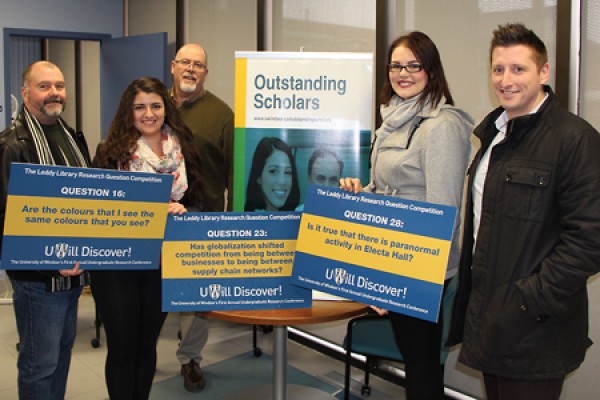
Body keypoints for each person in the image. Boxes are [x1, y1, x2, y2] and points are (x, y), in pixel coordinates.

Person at [447, 23, 600, 400]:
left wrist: (527, 300)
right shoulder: (494, 137)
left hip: (535, 329)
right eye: (498, 69)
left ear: (543, 72)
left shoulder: (575, 139)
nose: (506, 80)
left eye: (519, 69)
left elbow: (590, 239)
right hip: (491, 323)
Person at [340, 31, 474, 399]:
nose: (403, 73)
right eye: (396, 65)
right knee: (415, 358)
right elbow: (387, 191)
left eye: (414, 65)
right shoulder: (394, 119)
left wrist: (396, 280)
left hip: (419, 266)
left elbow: (442, 212)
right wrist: (359, 193)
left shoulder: (442, 125)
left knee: (422, 364)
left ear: (431, 70)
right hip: (390, 256)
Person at [91, 76, 203, 400]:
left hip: (162, 263)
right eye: (140, 107)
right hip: (117, 265)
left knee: (146, 345)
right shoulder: (110, 153)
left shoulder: (184, 150)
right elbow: (97, 210)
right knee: (124, 348)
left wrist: (186, 212)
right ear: (130, 112)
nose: (149, 114)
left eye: (155, 105)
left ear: (166, 108)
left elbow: (199, 200)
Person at [0, 60, 91, 400]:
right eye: (44, 86)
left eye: (59, 85)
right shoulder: (12, 145)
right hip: (38, 279)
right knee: (40, 365)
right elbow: (8, 220)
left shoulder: (72, 137)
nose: (55, 92)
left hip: (73, 274)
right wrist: (49, 261)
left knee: (61, 357)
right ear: (26, 94)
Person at [169, 43, 234, 392]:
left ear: (206, 73)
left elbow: (233, 176)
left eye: (199, 65)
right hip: (157, 219)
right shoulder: (152, 107)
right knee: (152, 290)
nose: (191, 69)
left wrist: (231, 223)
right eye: (185, 63)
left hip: (203, 218)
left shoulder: (222, 115)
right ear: (173, 67)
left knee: (197, 298)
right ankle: (140, 354)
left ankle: (190, 359)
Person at [245, 136, 300, 212]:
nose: (282, 181)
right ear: (258, 177)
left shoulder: (299, 217)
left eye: (287, 172)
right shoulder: (245, 220)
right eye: (273, 171)